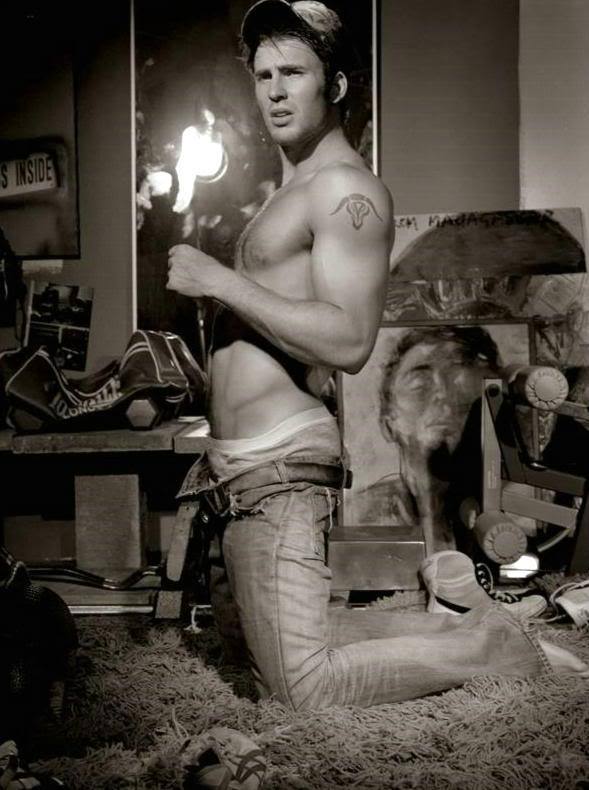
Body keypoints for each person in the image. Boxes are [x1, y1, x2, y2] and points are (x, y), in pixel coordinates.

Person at [167, 0, 588, 710]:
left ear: (333, 85)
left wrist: (219, 281)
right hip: (242, 468)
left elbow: (349, 342)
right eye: (263, 75)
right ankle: (460, 625)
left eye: (293, 73)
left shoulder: (345, 189)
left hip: (280, 463)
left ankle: (497, 649)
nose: (274, 91)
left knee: (299, 690)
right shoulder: (295, 190)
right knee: (261, 653)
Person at [355, 326, 503, 553]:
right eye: (420, 386)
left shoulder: (511, 508)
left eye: (459, 386)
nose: (443, 398)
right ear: (388, 422)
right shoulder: (362, 513)